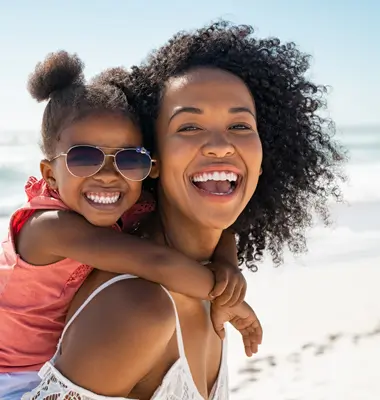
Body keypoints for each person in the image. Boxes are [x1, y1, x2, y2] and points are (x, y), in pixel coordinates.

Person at [23, 21, 345, 399]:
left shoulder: (211, 281)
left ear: (262, 158)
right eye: (190, 126)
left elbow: (220, 237)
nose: (220, 145)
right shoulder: (139, 308)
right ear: (152, 161)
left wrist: (227, 269)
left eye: (240, 125)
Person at [0, 50, 262, 399]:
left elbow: (219, 229)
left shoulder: (122, 206)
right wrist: (231, 298)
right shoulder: (51, 227)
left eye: (129, 159)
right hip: (14, 379)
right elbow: (156, 262)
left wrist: (228, 264)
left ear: (150, 166)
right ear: (49, 173)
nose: (109, 175)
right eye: (84, 158)